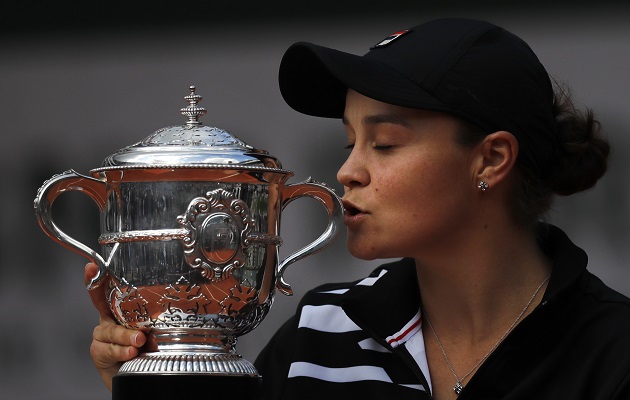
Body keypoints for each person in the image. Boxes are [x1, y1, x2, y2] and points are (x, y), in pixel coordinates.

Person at [85, 18, 630, 399]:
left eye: (385, 143)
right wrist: (146, 381)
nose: (349, 171)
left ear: (490, 159)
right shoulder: (322, 329)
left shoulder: (611, 349)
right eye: (349, 143)